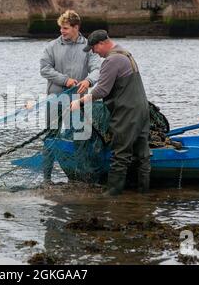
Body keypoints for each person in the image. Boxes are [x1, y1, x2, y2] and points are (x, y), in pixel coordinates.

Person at [71, 30, 150, 195]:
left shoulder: (112, 60)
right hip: (142, 110)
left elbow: (102, 90)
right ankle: (144, 193)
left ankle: (112, 195)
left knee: (120, 155)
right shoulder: (125, 53)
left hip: (126, 113)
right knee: (143, 155)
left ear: (101, 44)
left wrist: (79, 102)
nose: (94, 52)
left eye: (93, 48)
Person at [40, 10, 101, 181]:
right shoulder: (51, 47)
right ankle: (47, 178)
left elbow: (97, 69)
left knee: (81, 136)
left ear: (76, 27)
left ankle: (81, 176)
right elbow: (44, 69)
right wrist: (65, 80)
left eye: (65, 28)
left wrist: (89, 81)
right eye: (61, 28)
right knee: (51, 136)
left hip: (79, 101)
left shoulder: (88, 47)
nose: (62, 31)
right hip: (55, 99)